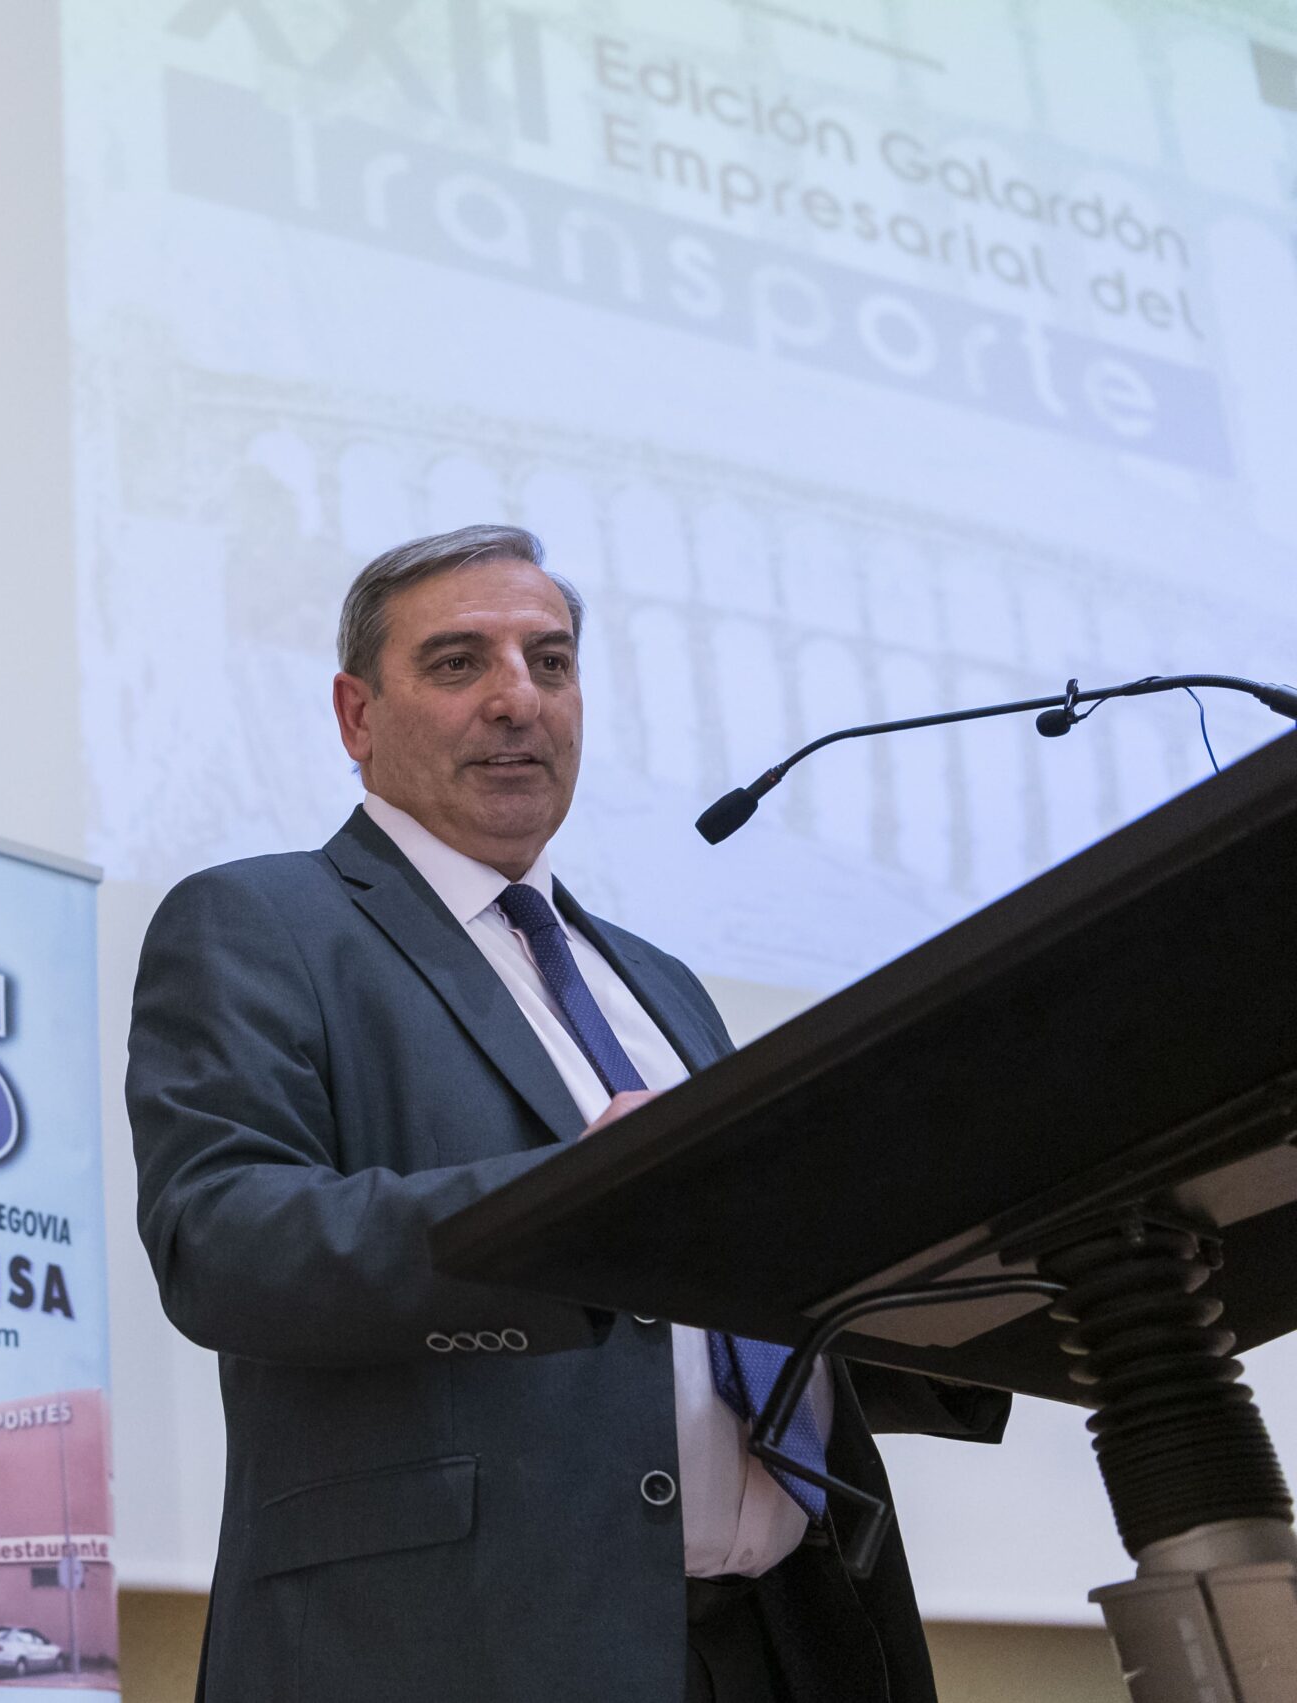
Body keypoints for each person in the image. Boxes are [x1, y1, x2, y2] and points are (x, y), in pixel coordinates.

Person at [127, 526, 1008, 1703]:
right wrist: (569, 1207)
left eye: (549, 662)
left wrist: (945, 1268)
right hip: (461, 1644)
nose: (517, 698)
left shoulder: (661, 982)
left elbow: (725, 1311)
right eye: (457, 662)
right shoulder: (262, 920)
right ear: (355, 714)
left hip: (790, 1637)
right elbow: (222, 1239)